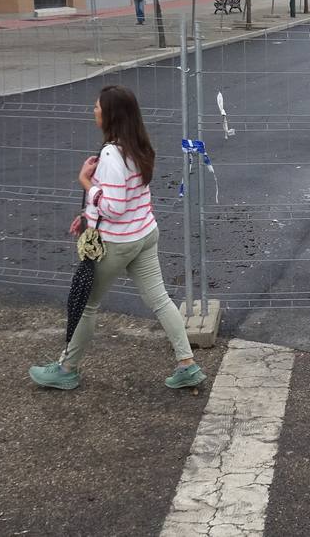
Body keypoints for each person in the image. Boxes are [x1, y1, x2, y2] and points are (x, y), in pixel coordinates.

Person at [29, 85, 204, 391]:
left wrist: (86, 183)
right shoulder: (139, 145)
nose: (93, 111)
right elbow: (129, 197)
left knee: (86, 304)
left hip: (118, 243)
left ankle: (66, 369)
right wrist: (88, 216)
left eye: (97, 107)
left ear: (110, 114)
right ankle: (187, 364)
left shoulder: (111, 154)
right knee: (161, 300)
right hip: (145, 233)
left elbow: (114, 207)